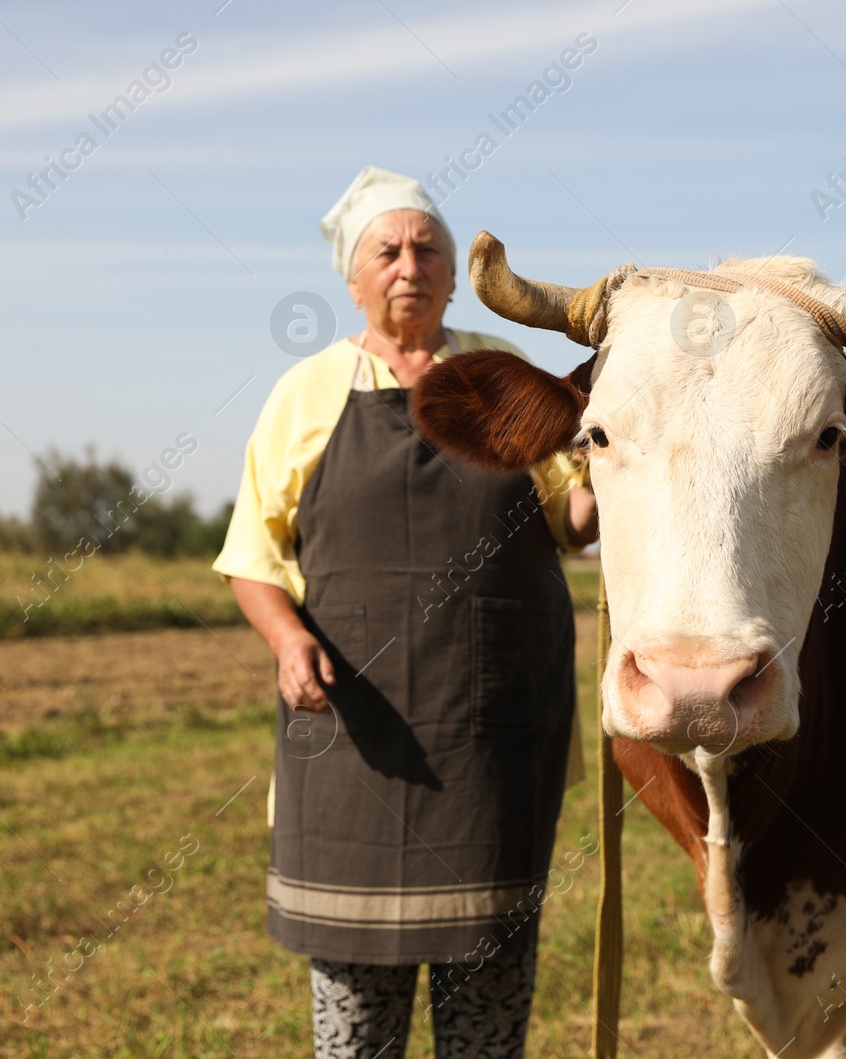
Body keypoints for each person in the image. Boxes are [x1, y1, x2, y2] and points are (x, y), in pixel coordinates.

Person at [213, 166, 597, 1059]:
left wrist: (624, 439)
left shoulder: (499, 383)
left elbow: (573, 522)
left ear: (456, 277)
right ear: (353, 278)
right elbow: (252, 557)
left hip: (490, 743)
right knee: (356, 1033)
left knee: (487, 1027)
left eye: (427, 248)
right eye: (387, 250)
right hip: (353, 744)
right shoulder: (303, 393)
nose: (408, 265)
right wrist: (286, 638)